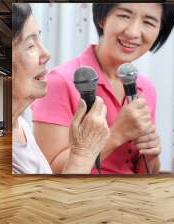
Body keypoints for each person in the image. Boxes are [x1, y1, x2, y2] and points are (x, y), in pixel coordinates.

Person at [33, 3, 174, 174]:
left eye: (149, 22)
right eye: (124, 16)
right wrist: (116, 135)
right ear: (103, 19)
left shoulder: (146, 87)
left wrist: (151, 155)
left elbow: (144, 171)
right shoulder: (60, 80)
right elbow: (48, 171)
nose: (133, 32)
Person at [12, 3, 109, 174]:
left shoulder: (20, 125)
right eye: (30, 45)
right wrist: (83, 153)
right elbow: (54, 201)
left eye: (38, 39)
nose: (46, 54)